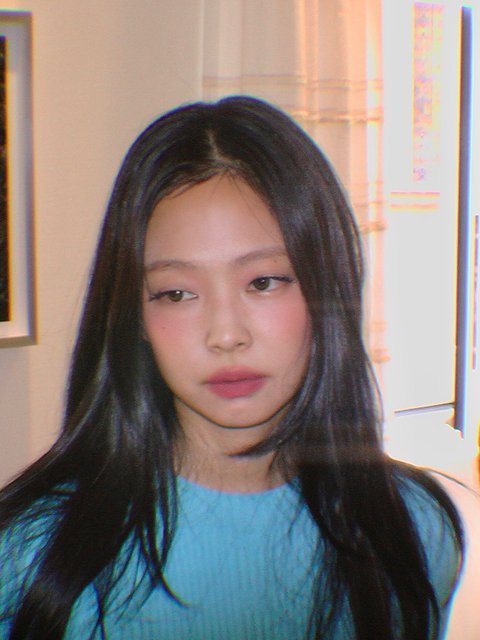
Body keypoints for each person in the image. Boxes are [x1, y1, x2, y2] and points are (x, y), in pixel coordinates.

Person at [0, 96, 464, 639]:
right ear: (133, 317)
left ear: (326, 288)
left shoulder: (413, 528)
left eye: (263, 282)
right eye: (176, 293)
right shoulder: (32, 553)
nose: (225, 335)